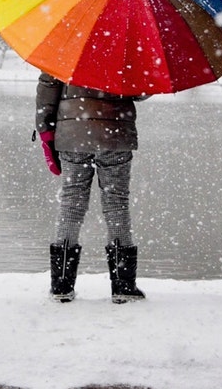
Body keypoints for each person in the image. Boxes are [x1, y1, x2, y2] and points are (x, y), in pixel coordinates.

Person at [34, 71, 147, 304]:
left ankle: (61, 284)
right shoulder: (128, 46)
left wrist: (46, 132)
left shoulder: (64, 48)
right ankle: (123, 285)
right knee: (116, 204)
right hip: (115, 134)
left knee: (71, 204)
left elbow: (47, 90)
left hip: (73, 134)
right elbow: (140, 90)